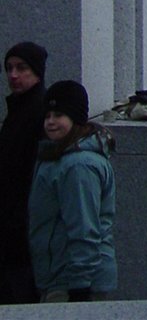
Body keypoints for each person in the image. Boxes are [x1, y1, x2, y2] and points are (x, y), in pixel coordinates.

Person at [28, 81, 116, 303]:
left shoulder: (78, 166)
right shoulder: (58, 157)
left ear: (75, 118)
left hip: (73, 282)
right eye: (47, 115)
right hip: (60, 277)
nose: (50, 122)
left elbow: (84, 229)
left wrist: (79, 288)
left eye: (59, 115)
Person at [0, 42, 48, 303]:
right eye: (9, 68)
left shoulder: (39, 113)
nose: (13, 75)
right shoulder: (18, 109)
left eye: (21, 68)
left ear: (37, 71)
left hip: (22, 232)